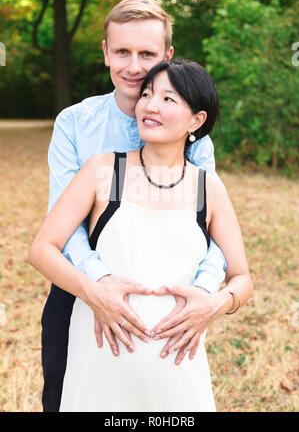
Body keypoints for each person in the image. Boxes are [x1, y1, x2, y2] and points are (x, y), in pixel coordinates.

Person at [29, 58, 252, 412]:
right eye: (147, 94)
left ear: (197, 120)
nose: (149, 105)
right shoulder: (103, 170)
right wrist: (94, 292)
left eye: (168, 99)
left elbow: (241, 277)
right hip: (99, 365)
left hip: (178, 372)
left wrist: (215, 304)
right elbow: (42, 249)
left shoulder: (208, 188)